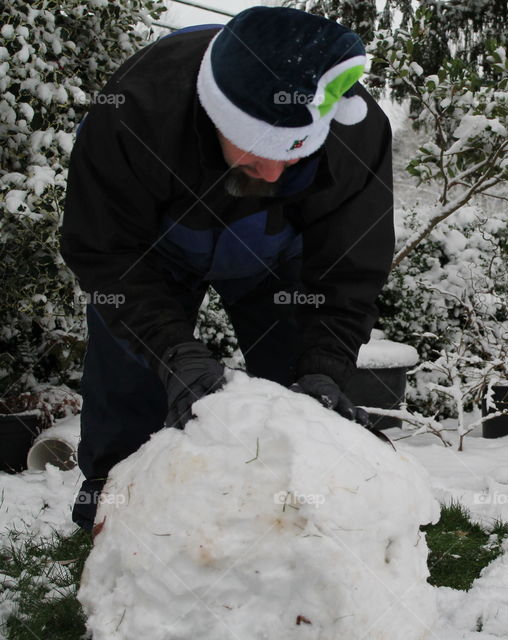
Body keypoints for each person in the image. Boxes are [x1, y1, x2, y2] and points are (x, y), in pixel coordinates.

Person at [60, 6, 394, 532]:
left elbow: (349, 269)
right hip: (154, 254)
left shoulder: (358, 135)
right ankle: (116, 513)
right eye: (257, 156)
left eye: (293, 159)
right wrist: (173, 355)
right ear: (217, 116)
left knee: (302, 402)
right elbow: (106, 252)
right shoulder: (135, 108)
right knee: (133, 383)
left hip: (280, 259)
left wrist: (325, 367)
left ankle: (311, 526)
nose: (272, 173)